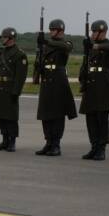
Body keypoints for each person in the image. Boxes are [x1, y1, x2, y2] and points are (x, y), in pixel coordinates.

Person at [35, 19, 76, 156]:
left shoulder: (66, 43)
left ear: (60, 30)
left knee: (57, 114)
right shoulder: (46, 46)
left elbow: (66, 48)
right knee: (45, 114)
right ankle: (48, 142)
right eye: (50, 29)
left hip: (58, 82)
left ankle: (56, 144)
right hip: (47, 81)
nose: (51, 32)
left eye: (53, 29)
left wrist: (45, 41)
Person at [0, 27, 29, 151]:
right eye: (2, 37)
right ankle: (4, 140)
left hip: (10, 89)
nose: (2, 39)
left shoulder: (19, 54)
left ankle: (12, 142)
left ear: (11, 38)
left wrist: (16, 92)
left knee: (11, 117)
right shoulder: (0, 52)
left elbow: (21, 76)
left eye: (4, 37)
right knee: (0, 116)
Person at [78, 19, 109, 160]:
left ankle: (102, 148)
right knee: (91, 118)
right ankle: (94, 147)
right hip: (91, 86)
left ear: (103, 32)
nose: (93, 34)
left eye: (96, 32)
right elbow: (85, 63)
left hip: (102, 86)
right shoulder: (90, 47)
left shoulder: (108, 45)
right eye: (92, 32)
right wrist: (82, 78)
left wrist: (93, 46)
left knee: (101, 118)